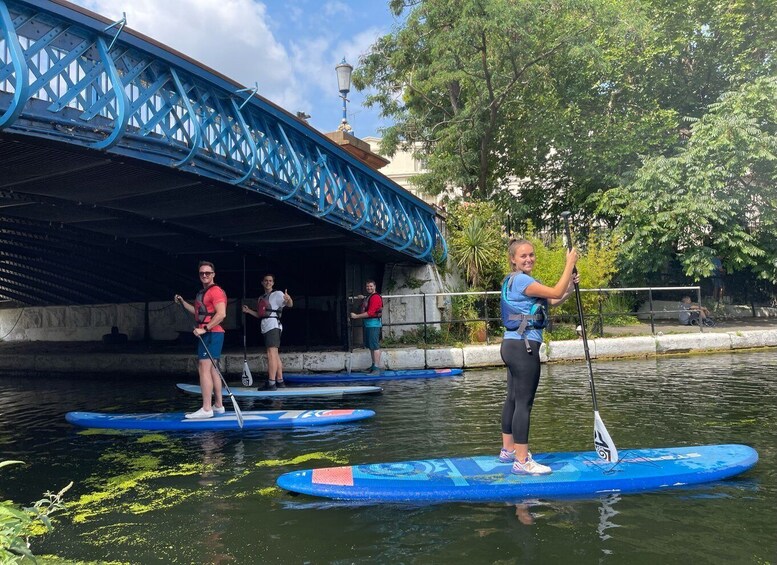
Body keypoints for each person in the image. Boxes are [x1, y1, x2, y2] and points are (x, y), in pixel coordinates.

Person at [499, 239, 578, 475]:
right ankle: (522, 462)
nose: (529, 259)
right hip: (524, 348)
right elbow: (554, 290)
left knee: (513, 398)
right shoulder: (522, 279)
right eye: (523, 256)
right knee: (524, 403)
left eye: (531, 255)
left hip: (511, 345)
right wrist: (569, 263)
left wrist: (571, 289)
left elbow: (551, 300)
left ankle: (508, 450)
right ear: (513, 259)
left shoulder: (513, 280)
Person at [174, 261, 227, 419]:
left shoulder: (215, 291)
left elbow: (221, 314)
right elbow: (198, 313)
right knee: (213, 369)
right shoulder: (204, 292)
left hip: (211, 334)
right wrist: (183, 303)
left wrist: (205, 329)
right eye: (202, 273)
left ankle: (206, 408)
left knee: (203, 368)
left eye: (208, 273)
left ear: (213, 274)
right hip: (211, 333)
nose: (204, 275)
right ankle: (218, 405)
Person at [242, 274, 293, 390]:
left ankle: (271, 382)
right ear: (262, 282)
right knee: (275, 355)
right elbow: (260, 315)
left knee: (271, 354)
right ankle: (280, 381)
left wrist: (288, 299)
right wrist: (248, 311)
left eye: (270, 281)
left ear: (273, 283)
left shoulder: (278, 294)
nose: (268, 282)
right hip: (266, 326)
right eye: (266, 281)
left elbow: (289, 304)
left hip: (273, 326)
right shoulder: (261, 297)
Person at [350, 279, 383, 373]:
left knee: (375, 346)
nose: (369, 288)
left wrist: (356, 316)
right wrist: (362, 298)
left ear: (375, 287)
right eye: (367, 286)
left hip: (373, 324)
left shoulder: (375, 297)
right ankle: (373, 366)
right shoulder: (370, 296)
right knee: (371, 346)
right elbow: (367, 303)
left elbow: (370, 312)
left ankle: (376, 367)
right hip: (368, 324)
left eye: (371, 286)